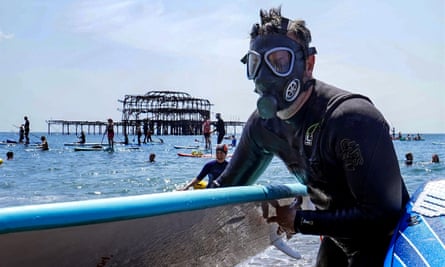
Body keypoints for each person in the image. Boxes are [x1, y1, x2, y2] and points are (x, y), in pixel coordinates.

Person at [209, 7, 409, 267]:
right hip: (335, 241)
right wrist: (182, 205)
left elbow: (383, 216)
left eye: (279, 62)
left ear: (309, 65)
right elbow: (226, 187)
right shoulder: (263, 126)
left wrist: (300, 221)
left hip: (385, 245)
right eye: (256, 64)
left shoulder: (352, 119)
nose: (265, 76)